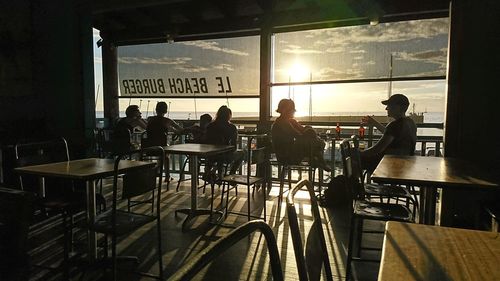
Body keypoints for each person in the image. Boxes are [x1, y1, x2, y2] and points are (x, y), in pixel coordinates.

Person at [360, 93, 417, 172]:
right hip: (405, 164)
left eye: (389, 105)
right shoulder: (410, 122)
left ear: (398, 107)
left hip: (388, 164)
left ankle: (353, 183)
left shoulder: (394, 125)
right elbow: (390, 134)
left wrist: (358, 154)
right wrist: (375, 123)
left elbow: (377, 149)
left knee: (354, 160)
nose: (386, 108)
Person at [271, 99, 330, 171]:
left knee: (309, 131)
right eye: (292, 110)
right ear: (285, 110)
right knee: (311, 138)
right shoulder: (282, 123)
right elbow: (298, 135)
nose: (293, 112)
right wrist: (311, 134)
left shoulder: (289, 121)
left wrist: (308, 130)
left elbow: (302, 130)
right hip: (286, 157)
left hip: (291, 152)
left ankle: (317, 160)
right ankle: (318, 160)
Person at [205, 106, 244, 177]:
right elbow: (234, 146)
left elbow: (206, 141)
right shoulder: (231, 127)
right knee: (243, 153)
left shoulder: (211, 126)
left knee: (219, 158)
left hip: (211, 156)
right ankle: (232, 173)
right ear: (229, 116)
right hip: (225, 156)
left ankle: (211, 171)